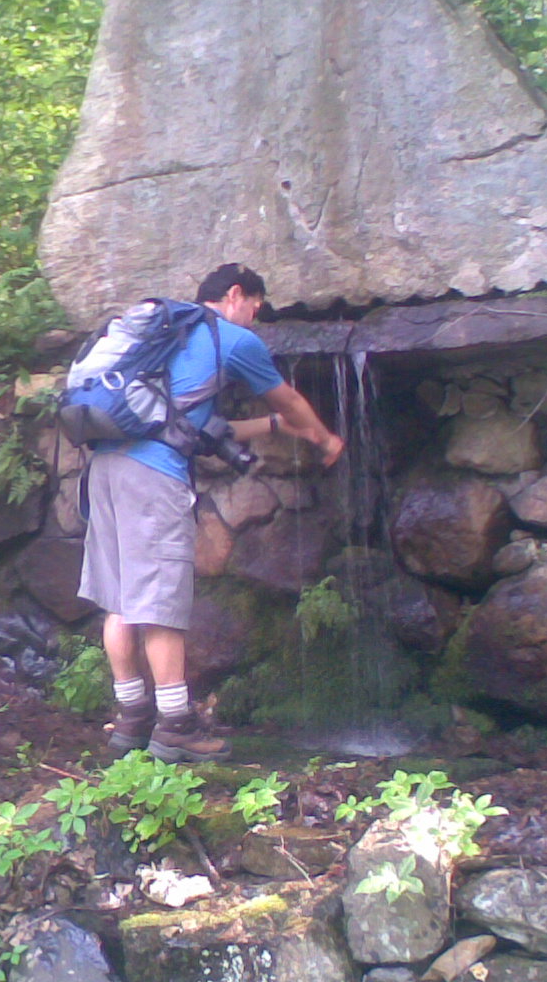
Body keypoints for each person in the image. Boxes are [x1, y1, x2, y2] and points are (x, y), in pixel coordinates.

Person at [78, 262, 345, 763]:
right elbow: (288, 397)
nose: (255, 319)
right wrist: (323, 436)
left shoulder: (166, 339)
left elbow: (195, 429)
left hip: (107, 468)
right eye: (255, 308)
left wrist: (272, 426)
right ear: (236, 295)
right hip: (152, 477)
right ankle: (175, 727)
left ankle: (132, 718)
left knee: (121, 601)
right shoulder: (232, 339)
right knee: (159, 604)